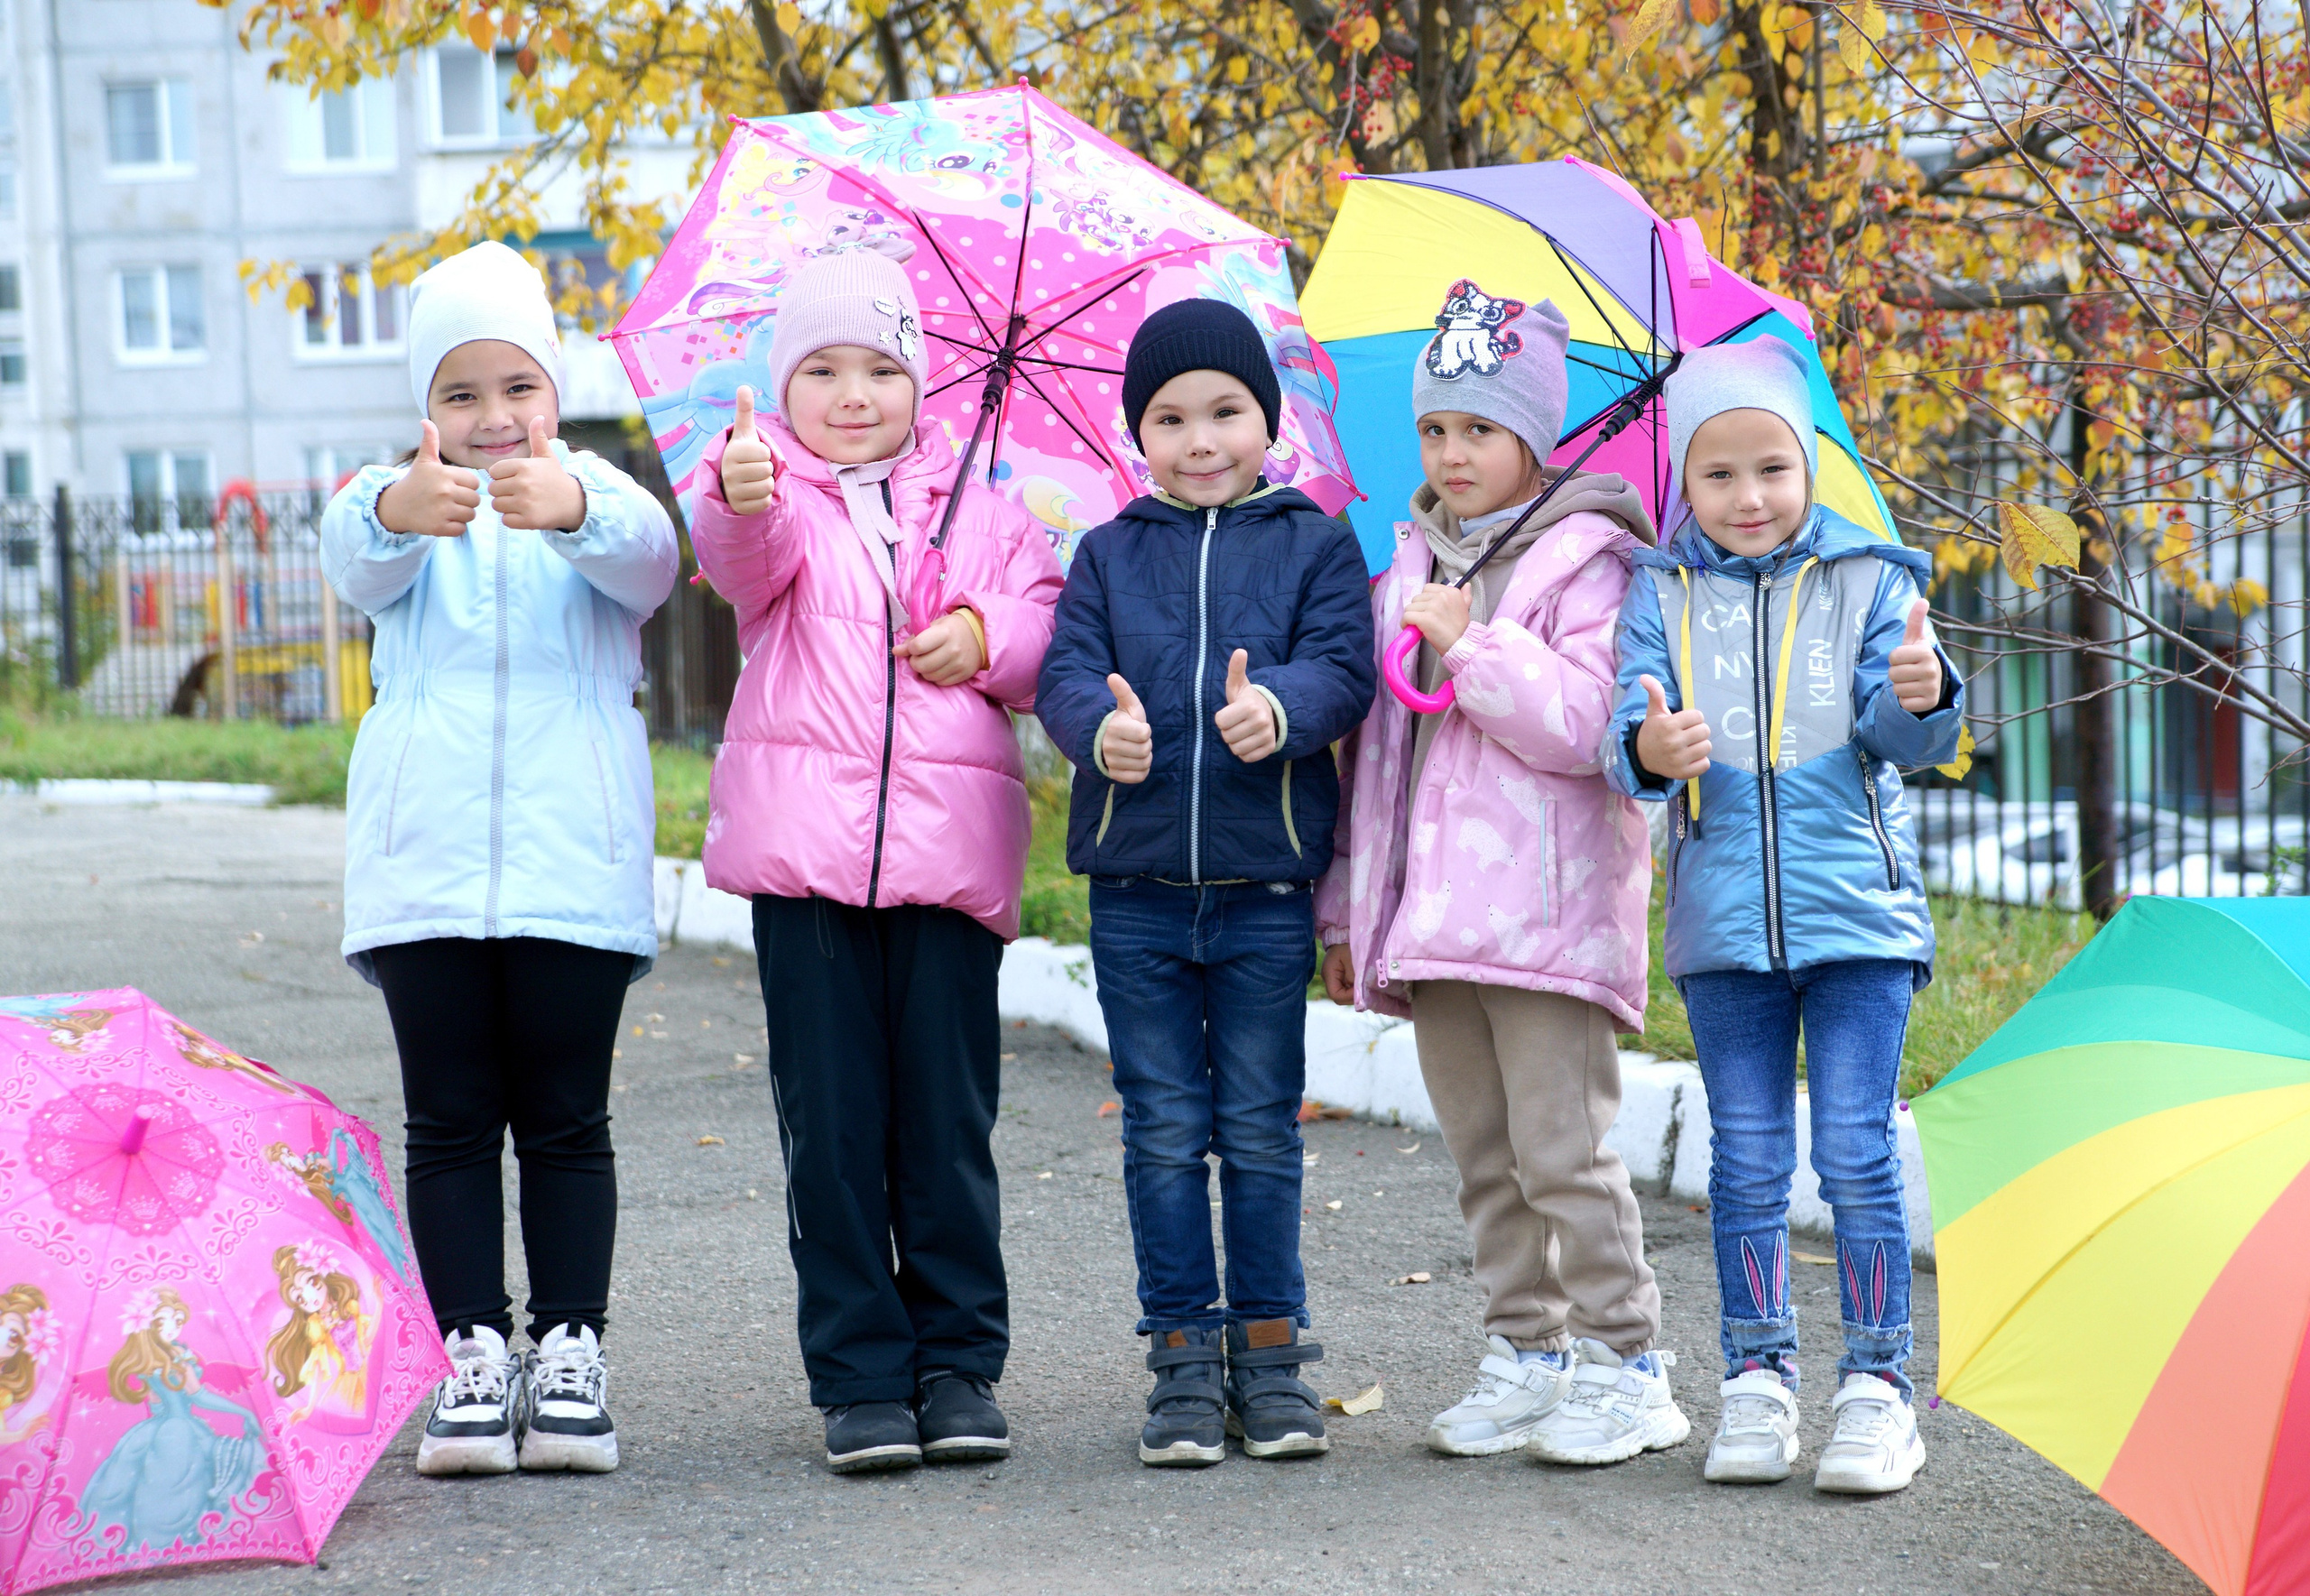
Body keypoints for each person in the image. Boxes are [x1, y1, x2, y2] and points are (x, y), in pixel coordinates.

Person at [688, 244, 1062, 1476]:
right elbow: (740, 559)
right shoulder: (775, 501)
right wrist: (742, 492)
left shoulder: (984, 511)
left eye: (882, 369)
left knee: (945, 1124)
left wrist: (983, 631)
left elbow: (1050, 625)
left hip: (949, 865)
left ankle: (957, 1361)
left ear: (923, 384)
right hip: (808, 870)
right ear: (784, 393)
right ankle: (859, 1371)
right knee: (834, 1128)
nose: (854, 395)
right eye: (824, 371)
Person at [321, 240, 679, 1478]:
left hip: (570, 872)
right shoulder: (398, 503)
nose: (492, 418)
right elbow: (350, 561)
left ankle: (571, 1354)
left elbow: (656, 563)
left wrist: (575, 512)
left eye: (516, 388)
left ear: (555, 392)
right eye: (461, 393)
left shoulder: (597, 496)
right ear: (428, 408)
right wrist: (391, 511)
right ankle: (471, 1359)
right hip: (424, 874)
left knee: (568, 1120)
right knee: (450, 1122)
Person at [1316, 288, 1687, 1465]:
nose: (1452, 453)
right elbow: (1380, 754)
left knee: (1563, 1152)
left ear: (1533, 436)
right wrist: (1348, 905)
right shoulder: (1413, 556)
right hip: (1430, 915)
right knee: (1484, 1154)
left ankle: (1629, 1363)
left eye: (1478, 429)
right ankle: (1526, 1351)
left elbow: (1587, 727)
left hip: (1546, 913)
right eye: (1435, 431)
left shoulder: (1595, 561)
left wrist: (1468, 641)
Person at [1601, 336, 1964, 1494]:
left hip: (1858, 919)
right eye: (1718, 474)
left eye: (1771, 467)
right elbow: (1627, 744)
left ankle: (1877, 1387)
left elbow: (1912, 736)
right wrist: (1647, 748)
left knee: (1854, 1151)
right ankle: (1757, 1380)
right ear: (1682, 484)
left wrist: (1924, 696)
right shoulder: (1658, 593)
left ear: (1808, 465)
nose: (1747, 497)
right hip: (1719, 928)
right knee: (1746, 1159)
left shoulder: (1872, 581)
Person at [1035, 299, 1377, 1467]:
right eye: (1171, 416)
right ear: (1140, 433)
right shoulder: (1108, 551)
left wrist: (1278, 707)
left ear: (1265, 422)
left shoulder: (1313, 544)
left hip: (1264, 892)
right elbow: (1066, 674)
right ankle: (1183, 1358)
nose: (1200, 437)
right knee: (1166, 1130)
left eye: (1226, 410)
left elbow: (1345, 669)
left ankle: (1271, 1357)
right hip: (1135, 894)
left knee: (1261, 1129)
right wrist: (1100, 735)